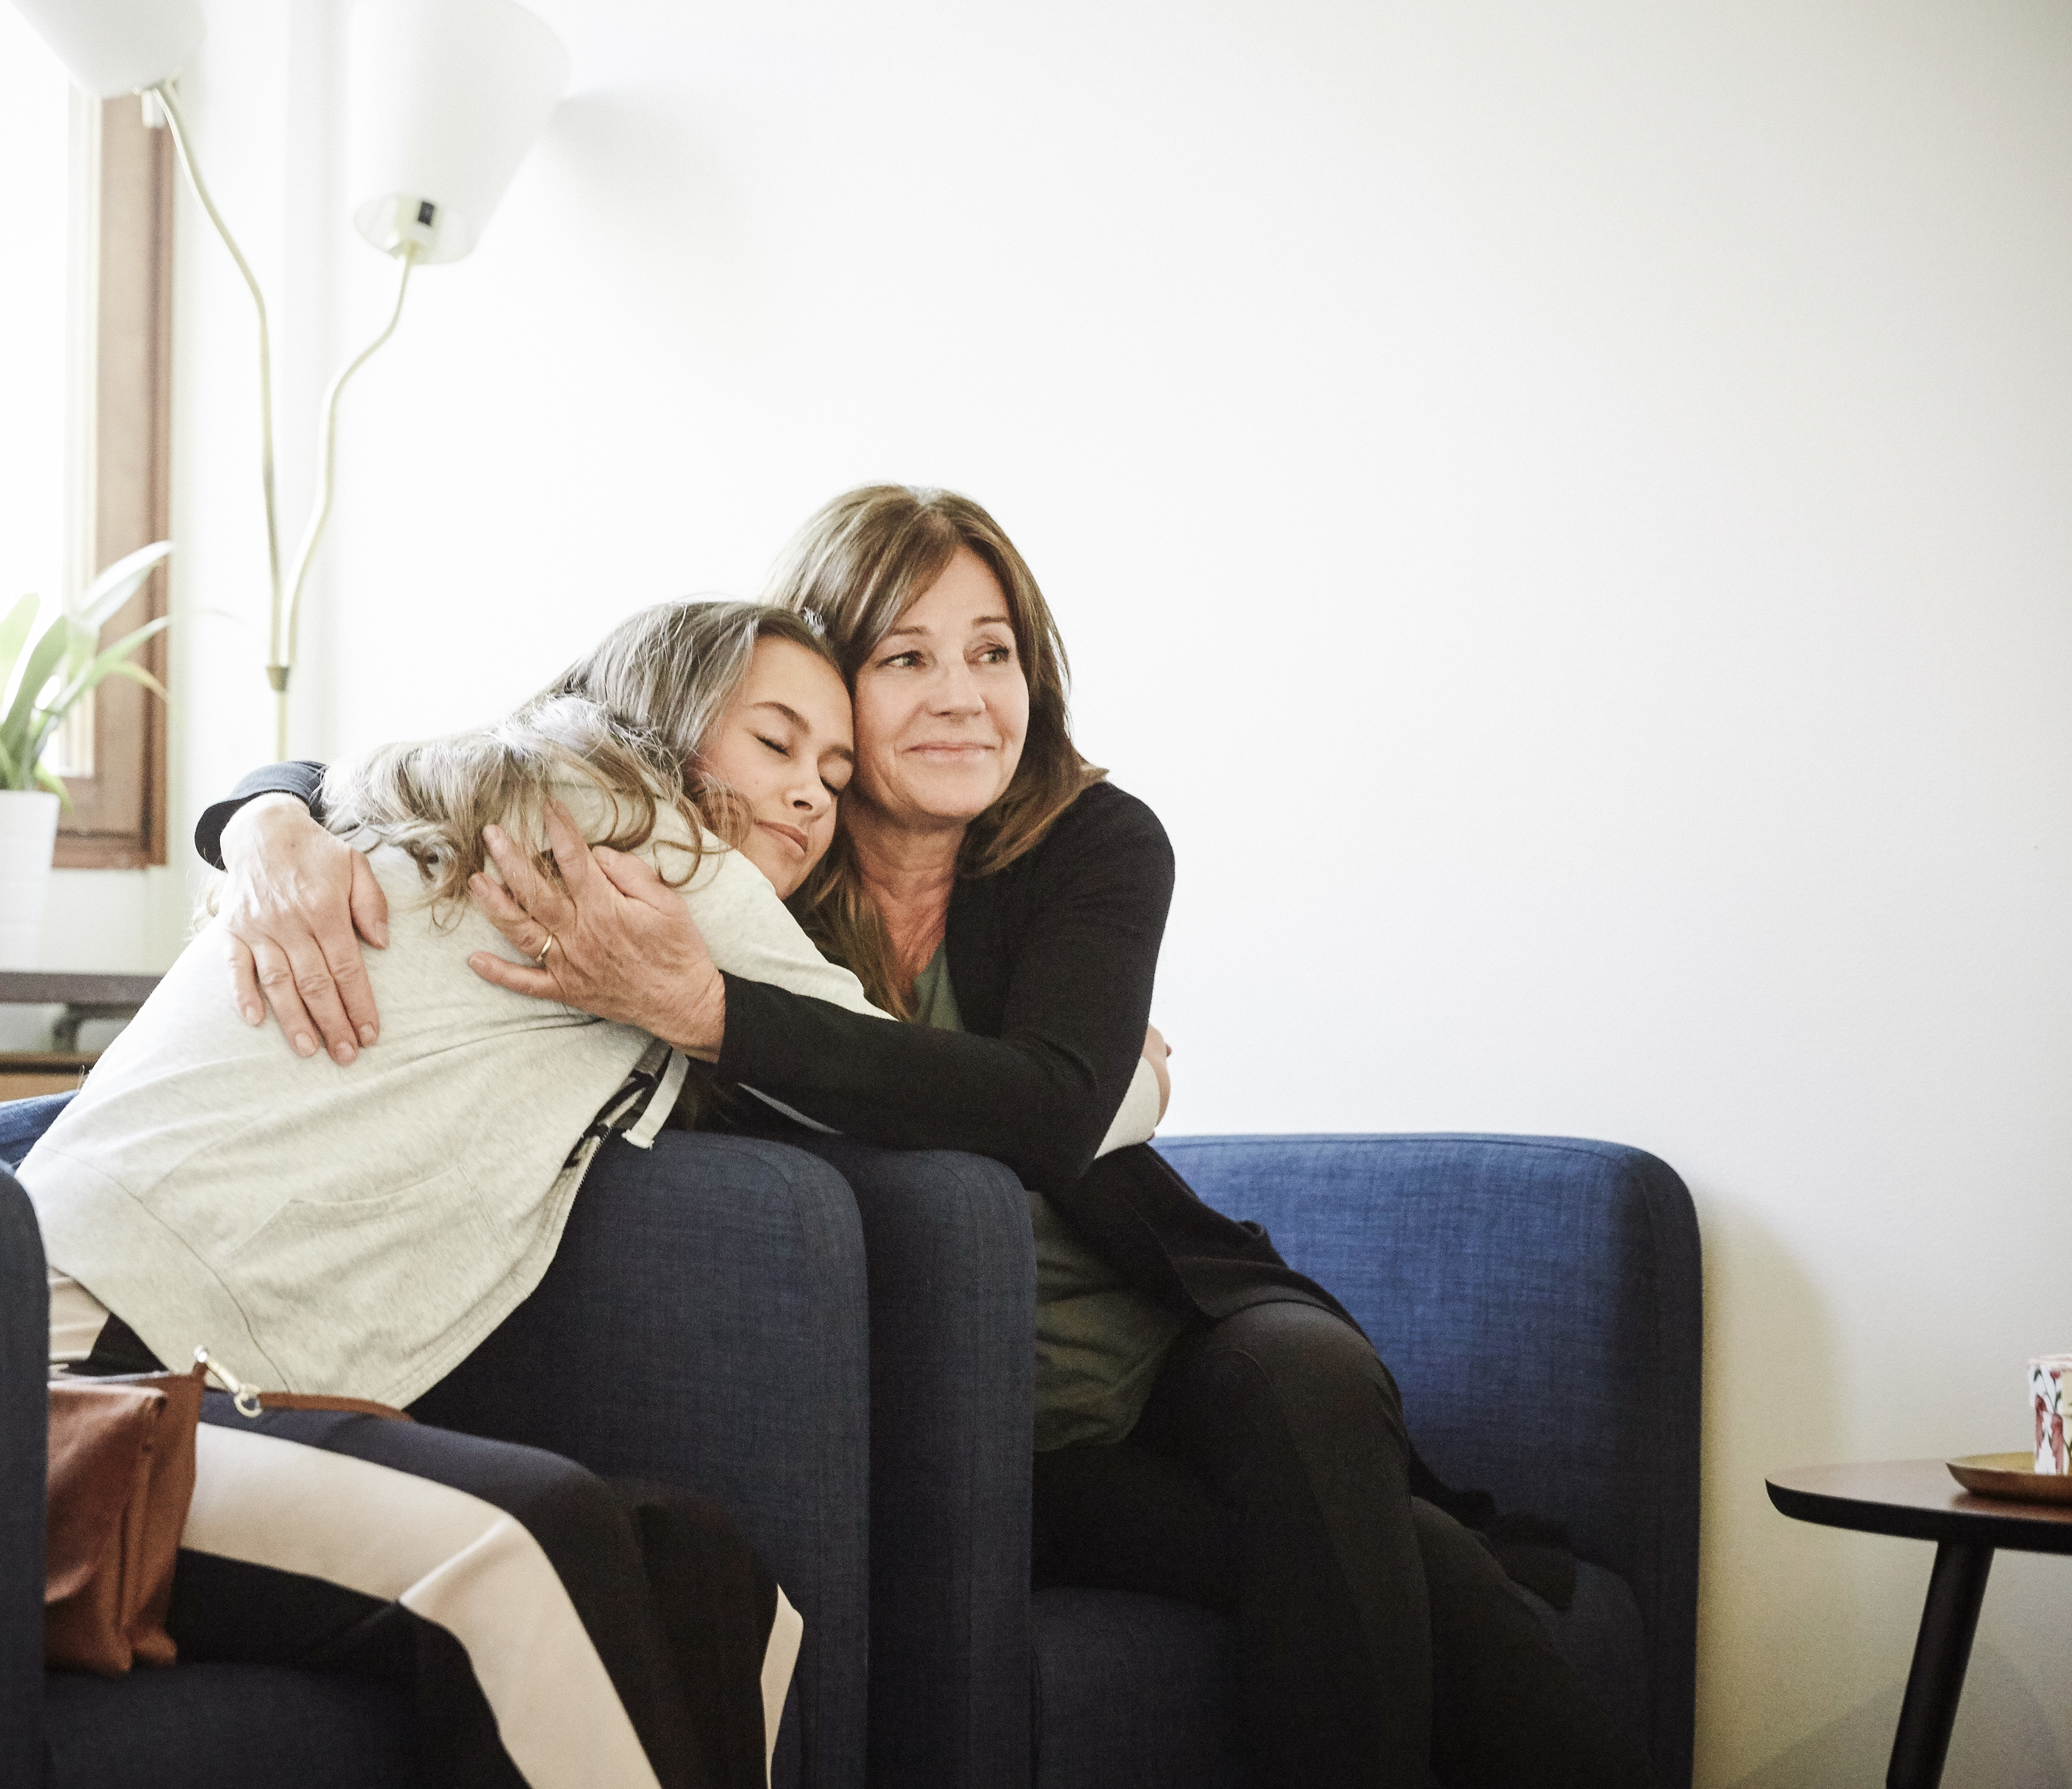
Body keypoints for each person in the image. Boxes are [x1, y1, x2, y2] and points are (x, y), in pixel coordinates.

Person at [200, 488, 1655, 1789]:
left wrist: (714, 1016)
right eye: (904, 657)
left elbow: (1044, 1111)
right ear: (824, 677)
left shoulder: (1094, 844)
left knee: (1307, 1385)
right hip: (983, 1417)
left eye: (993, 651)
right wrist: (263, 820)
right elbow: (489, 754)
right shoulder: (735, 860)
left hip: (1167, 1337)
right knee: (1386, 1561)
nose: (963, 696)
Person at [26, 600, 872, 1789]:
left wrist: (266, 806)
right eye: (775, 744)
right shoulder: (649, 843)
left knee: (698, 1561)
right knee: (528, 1542)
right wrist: (1119, 1074)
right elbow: (914, 1077)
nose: (811, 798)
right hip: (64, 1400)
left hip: (199, 1391)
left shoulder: (457, 808)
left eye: (838, 774)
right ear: (669, 733)